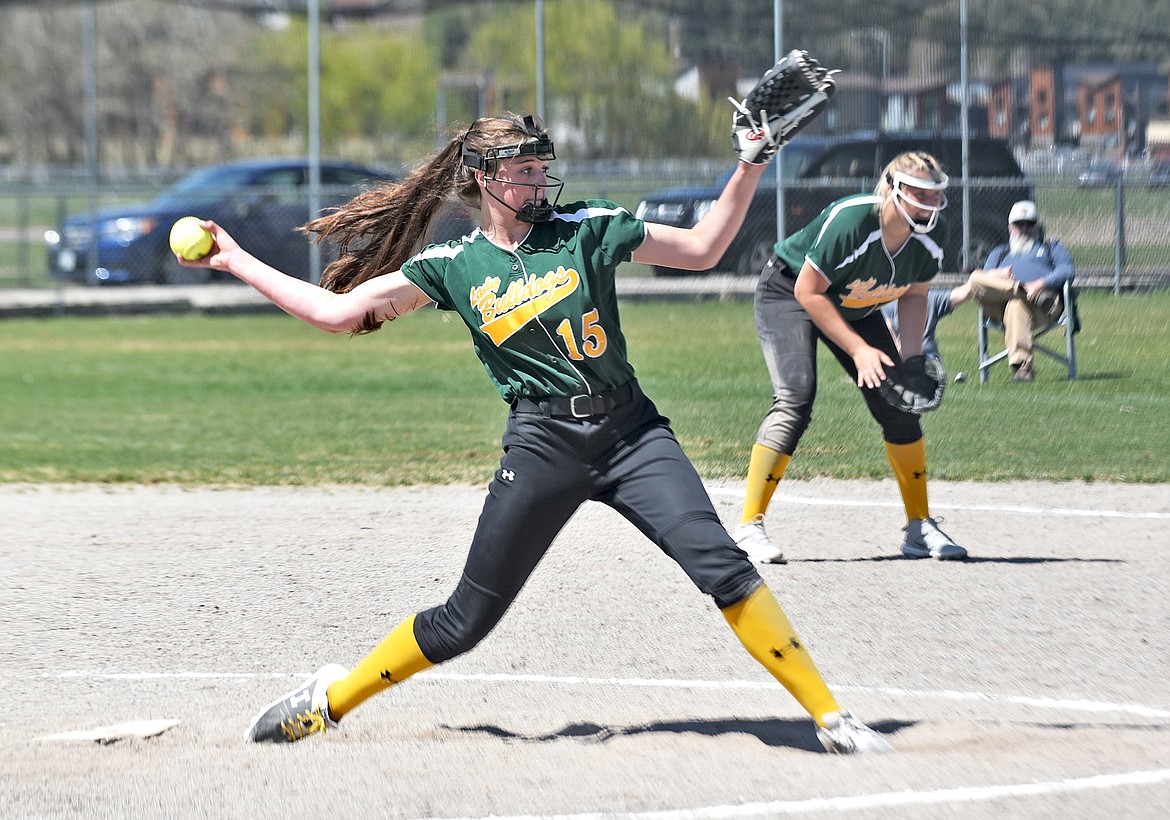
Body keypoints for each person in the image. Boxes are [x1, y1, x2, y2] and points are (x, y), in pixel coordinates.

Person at [176, 113, 892, 754]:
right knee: (464, 622)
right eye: (522, 169)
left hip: (631, 432)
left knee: (723, 566)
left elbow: (704, 247)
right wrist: (234, 260)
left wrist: (750, 163)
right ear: (485, 180)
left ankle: (831, 716)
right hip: (543, 446)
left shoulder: (586, 228)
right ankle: (327, 702)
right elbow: (335, 315)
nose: (538, 178)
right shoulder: (453, 267)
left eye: (541, 166)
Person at [732, 151, 970, 565]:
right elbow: (809, 292)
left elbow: (915, 295)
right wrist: (858, 350)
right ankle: (749, 527)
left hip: (855, 305)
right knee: (796, 397)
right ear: (892, 191)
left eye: (935, 196)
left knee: (898, 407)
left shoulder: (934, 235)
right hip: (788, 292)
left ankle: (919, 526)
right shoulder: (853, 221)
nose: (930, 205)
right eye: (919, 194)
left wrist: (911, 360)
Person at [967, 200, 1075, 382]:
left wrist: (1039, 284)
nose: (1024, 228)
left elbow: (1067, 271)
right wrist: (999, 274)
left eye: (1030, 224)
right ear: (1010, 227)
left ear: (1037, 226)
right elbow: (984, 279)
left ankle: (1023, 367)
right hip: (999, 306)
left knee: (1016, 305)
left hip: (1042, 304)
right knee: (975, 278)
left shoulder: (1050, 247)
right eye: (1019, 224)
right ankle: (1020, 290)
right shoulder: (999, 253)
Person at [880, 275, 974, 363]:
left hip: (930, 359)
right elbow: (890, 334)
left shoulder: (931, 298)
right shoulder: (886, 304)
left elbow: (961, 293)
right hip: (900, 360)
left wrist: (976, 280)